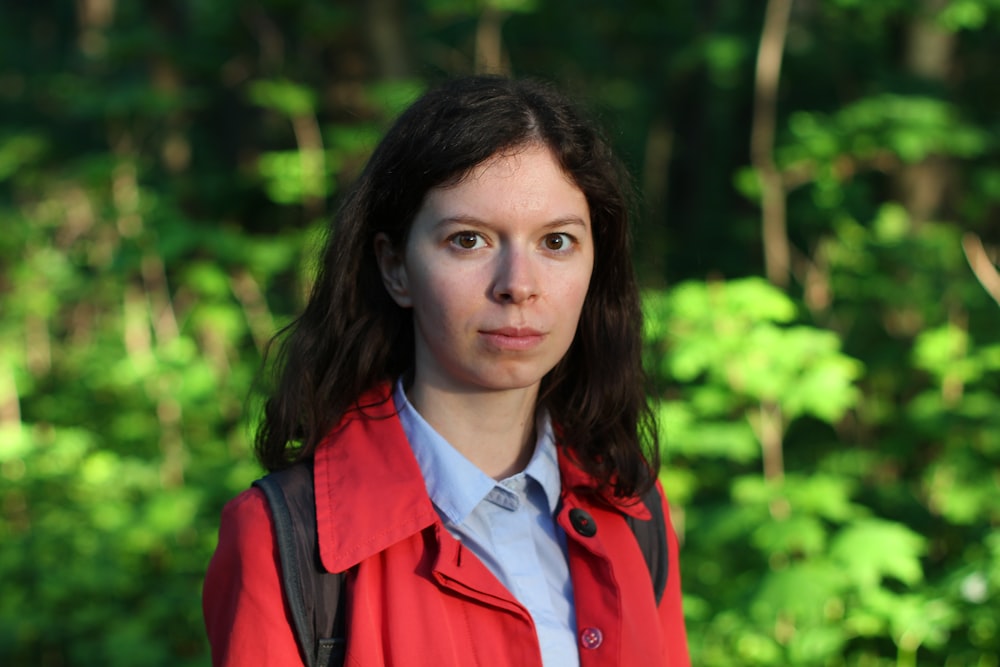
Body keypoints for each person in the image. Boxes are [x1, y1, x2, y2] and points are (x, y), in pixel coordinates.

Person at [203, 74, 690, 666]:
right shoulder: (284, 540)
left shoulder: (632, 505)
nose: (518, 285)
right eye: (469, 240)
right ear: (395, 268)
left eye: (557, 241)